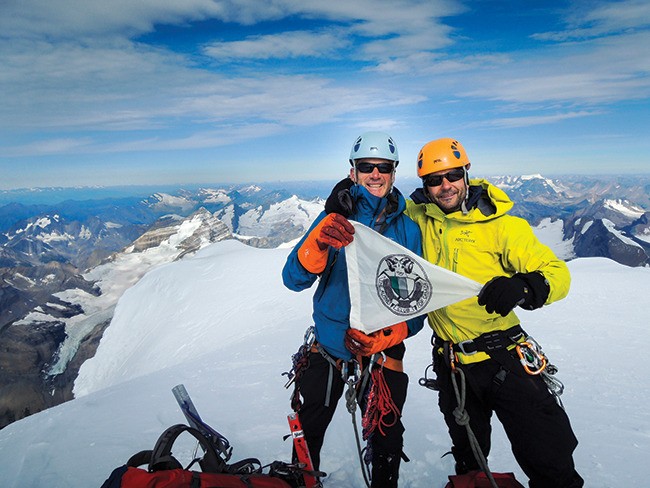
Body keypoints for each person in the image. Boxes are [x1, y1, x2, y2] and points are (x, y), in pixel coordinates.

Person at [404, 138, 584, 487]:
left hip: (505, 359)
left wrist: (526, 287)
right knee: (469, 460)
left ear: (466, 174)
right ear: (424, 185)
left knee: (549, 459)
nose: (445, 187)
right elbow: (377, 210)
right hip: (452, 364)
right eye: (434, 180)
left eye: (452, 175)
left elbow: (557, 274)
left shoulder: (503, 226)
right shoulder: (417, 219)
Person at [282, 131, 425, 488]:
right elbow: (293, 279)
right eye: (366, 167)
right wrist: (317, 243)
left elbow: (420, 301)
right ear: (353, 171)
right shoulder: (333, 220)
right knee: (308, 435)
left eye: (383, 167)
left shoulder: (408, 229)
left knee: (387, 439)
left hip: (381, 353)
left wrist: (393, 333)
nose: (375, 174)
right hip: (329, 349)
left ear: (394, 172)